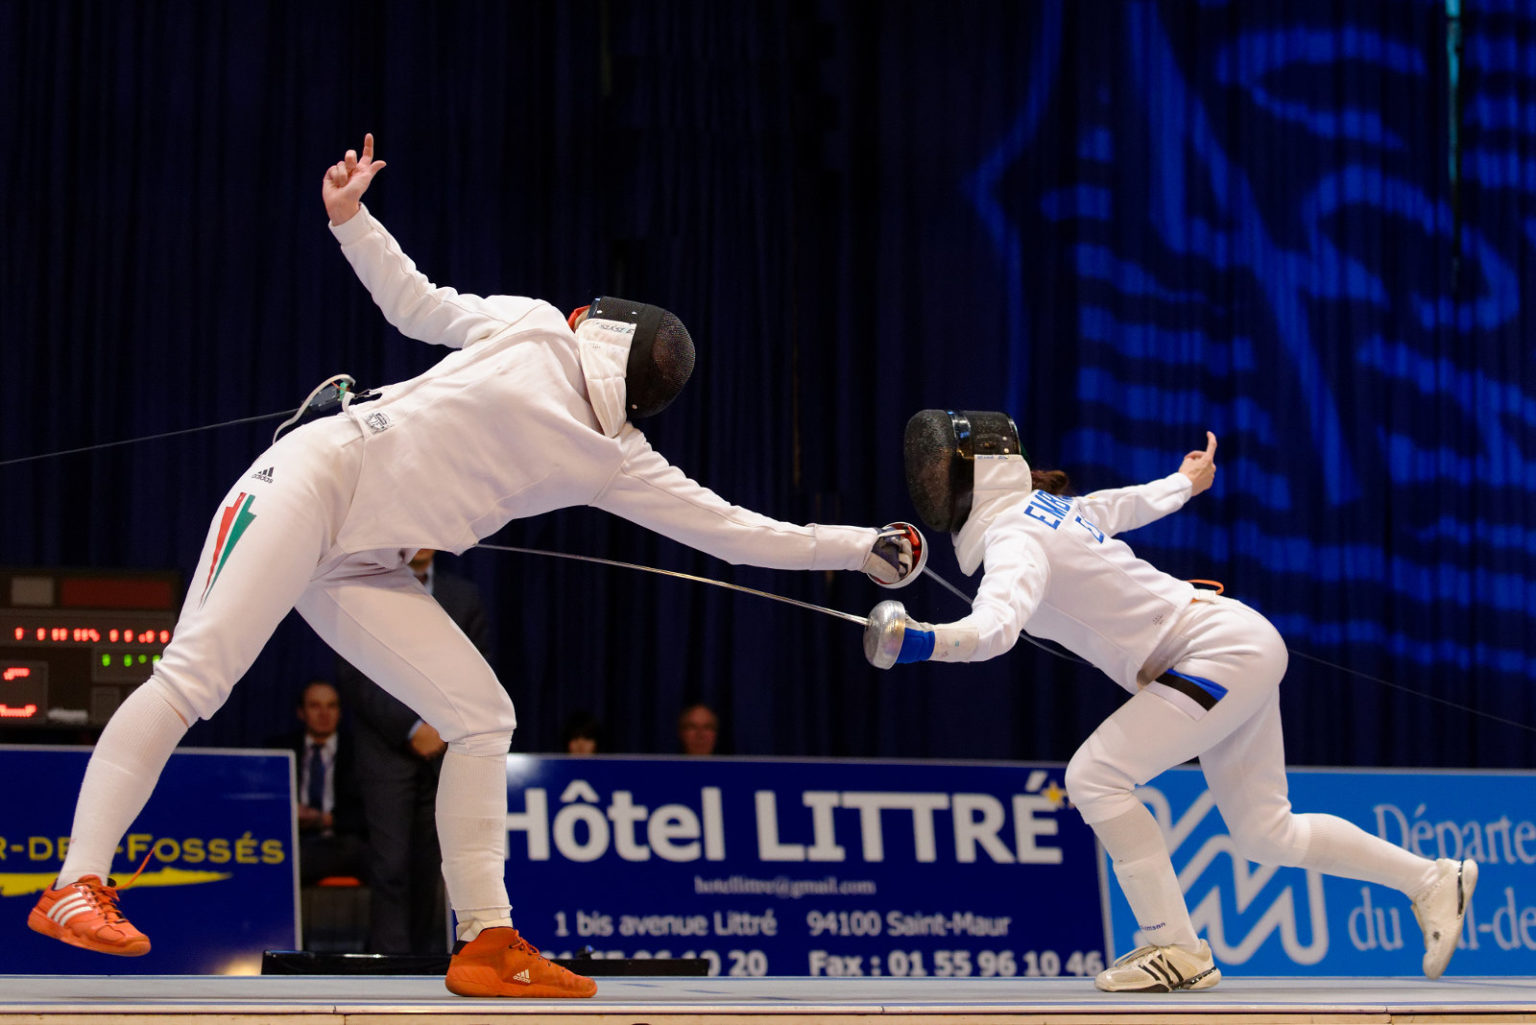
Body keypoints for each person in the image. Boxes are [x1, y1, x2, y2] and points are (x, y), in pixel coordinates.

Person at [26, 133, 925, 1000]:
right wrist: (858, 546)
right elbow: (739, 530)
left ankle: (486, 937)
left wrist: (350, 219)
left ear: (603, 331)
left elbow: (414, 302)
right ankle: (76, 880)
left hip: (360, 559)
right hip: (305, 481)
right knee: (196, 674)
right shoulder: (616, 449)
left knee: (480, 714)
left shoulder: (550, 352)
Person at [865, 410, 1477, 993]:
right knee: (1267, 833)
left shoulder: (1012, 539)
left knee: (1096, 776)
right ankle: (1431, 879)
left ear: (971, 478)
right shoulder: (1049, 511)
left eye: (940, 467)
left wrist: (923, 642)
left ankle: (1175, 948)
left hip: (1213, 653)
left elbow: (993, 631)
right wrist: (1184, 481)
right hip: (1227, 643)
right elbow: (1123, 505)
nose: (930, 478)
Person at [335, 549, 486, 954]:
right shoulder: (369, 588)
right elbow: (355, 671)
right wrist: (412, 727)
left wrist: (442, 725)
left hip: (445, 749)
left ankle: (425, 965)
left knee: (432, 870)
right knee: (391, 867)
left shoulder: (463, 595)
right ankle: (388, 968)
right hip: (385, 748)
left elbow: (476, 673)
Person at [280, 679, 367, 886]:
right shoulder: (279, 749)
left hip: (341, 841)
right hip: (291, 839)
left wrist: (325, 819)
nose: (324, 714)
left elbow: (371, 813)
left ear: (340, 712)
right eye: (315, 706)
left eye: (331, 706)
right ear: (301, 712)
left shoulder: (360, 753)